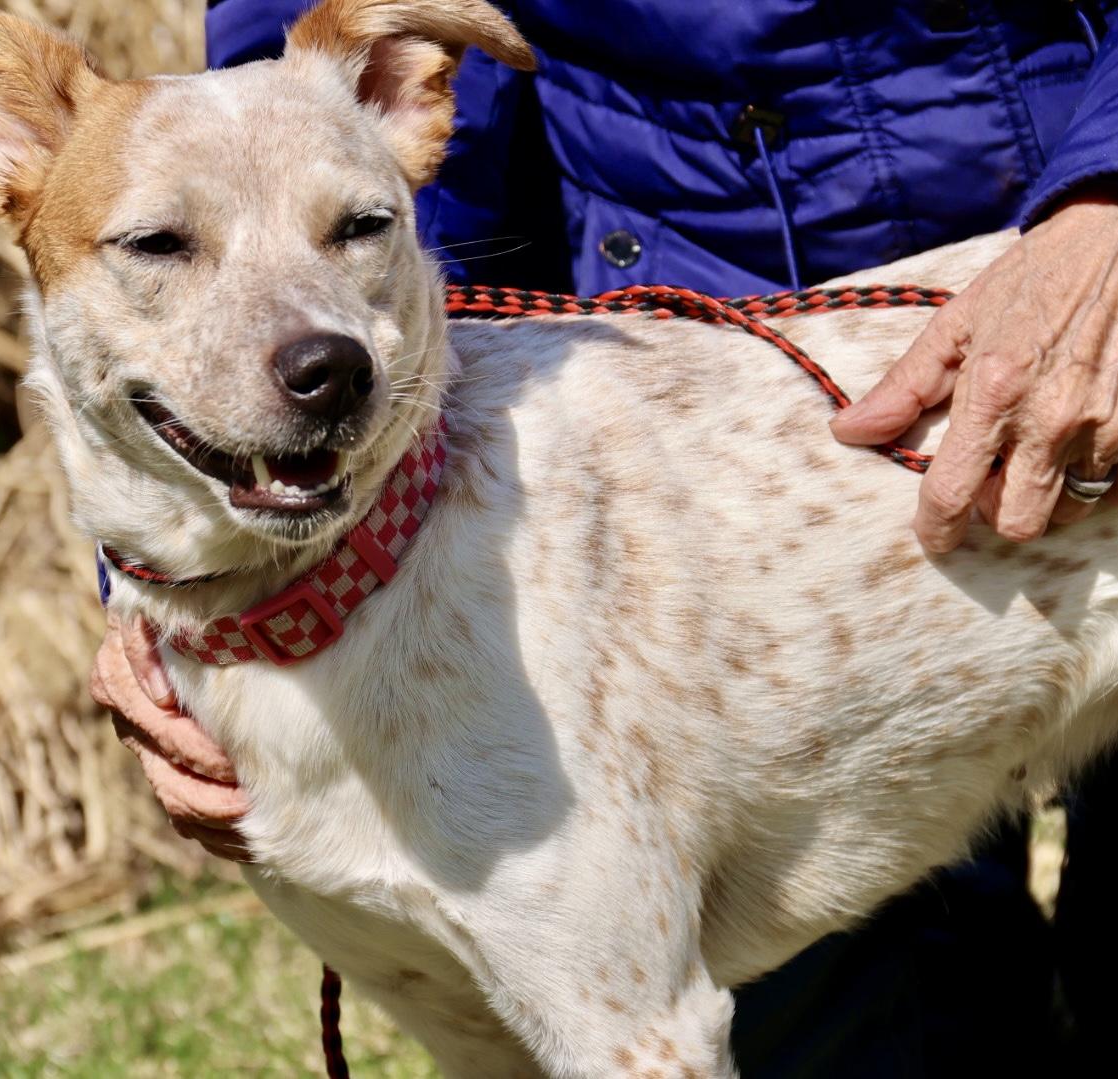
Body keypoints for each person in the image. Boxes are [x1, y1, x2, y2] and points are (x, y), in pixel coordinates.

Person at [93, 1, 1118, 1072]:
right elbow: (275, 143)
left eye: (348, 229)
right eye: (163, 244)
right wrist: (170, 577)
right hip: (692, 300)